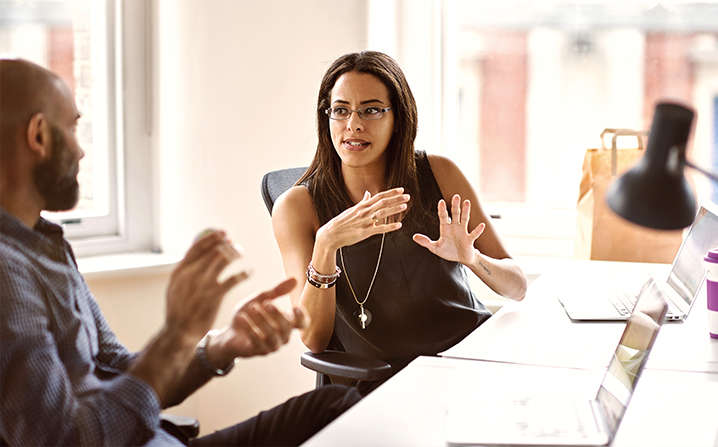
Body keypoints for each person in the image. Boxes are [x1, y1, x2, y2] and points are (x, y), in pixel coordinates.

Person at [0, 58, 361, 446]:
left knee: (337, 406)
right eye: (72, 128)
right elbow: (64, 440)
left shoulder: (45, 245)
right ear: (38, 136)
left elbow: (122, 374)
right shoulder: (7, 271)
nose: (81, 151)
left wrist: (221, 345)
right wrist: (178, 332)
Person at [272, 50, 528, 392]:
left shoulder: (440, 173)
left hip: (469, 363)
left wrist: (473, 259)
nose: (354, 125)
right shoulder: (297, 207)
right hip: (384, 385)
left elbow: (518, 287)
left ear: (399, 117)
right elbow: (313, 339)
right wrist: (326, 244)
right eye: (341, 110)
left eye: (372, 110)